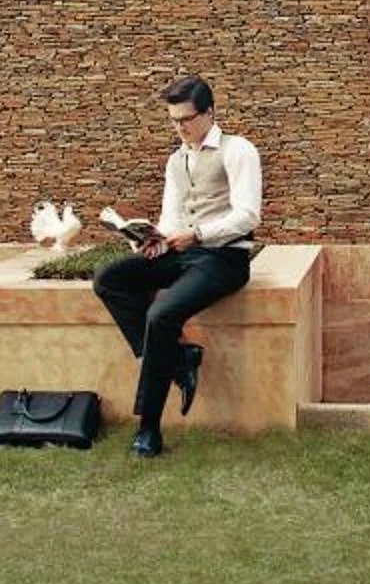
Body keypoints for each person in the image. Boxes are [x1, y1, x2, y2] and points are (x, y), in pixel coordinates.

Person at [89, 73, 263, 457]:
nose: (180, 127)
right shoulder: (176, 160)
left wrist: (197, 234)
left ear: (209, 113)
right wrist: (154, 239)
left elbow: (249, 215)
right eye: (174, 121)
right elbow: (171, 218)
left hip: (225, 258)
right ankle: (179, 359)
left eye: (186, 119)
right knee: (109, 279)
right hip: (182, 252)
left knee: (161, 315)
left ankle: (148, 429)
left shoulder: (238, 151)